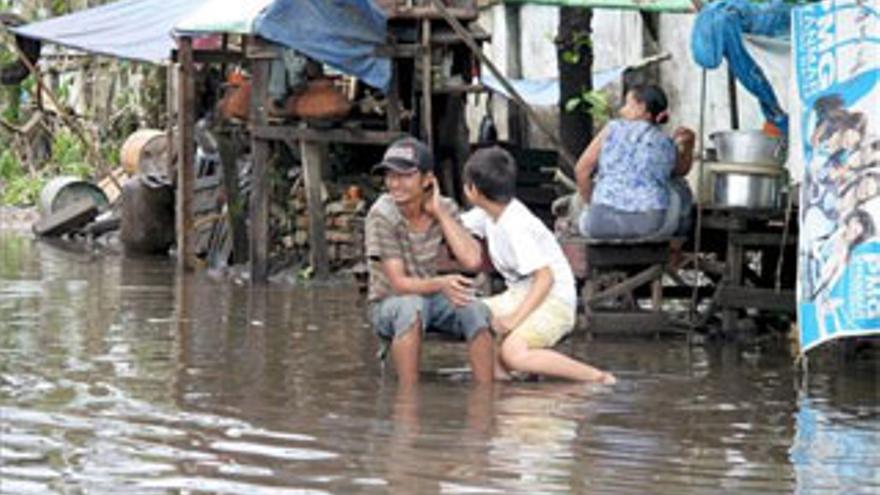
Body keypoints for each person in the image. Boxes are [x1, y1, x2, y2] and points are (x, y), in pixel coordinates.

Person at [460, 146, 616, 384]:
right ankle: (504, 383)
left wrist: (513, 319)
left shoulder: (516, 224)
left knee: (513, 352)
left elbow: (545, 278)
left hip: (554, 299)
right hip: (523, 294)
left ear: (473, 190)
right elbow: (455, 223)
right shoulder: (489, 214)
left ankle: (596, 377)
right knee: (475, 314)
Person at [365, 137, 494, 387]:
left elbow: (472, 260)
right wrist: (442, 283)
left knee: (474, 307)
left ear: (427, 180)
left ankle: (486, 397)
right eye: (390, 176)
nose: (395, 183)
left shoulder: (444, 207)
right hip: (388, 303)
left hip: (432, 298)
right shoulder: (382, 214)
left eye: (405, 176)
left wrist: (441, 214)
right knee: (411, 307)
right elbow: (399, 284)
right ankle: (408, 398)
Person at [575, 84, 695, 240]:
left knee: (588, 202)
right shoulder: (665, 141)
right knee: (679, 187)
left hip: (599, 226)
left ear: (641, 108)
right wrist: (688, 145)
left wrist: (594, 204)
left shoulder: (611, 129)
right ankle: (675, 248)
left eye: (627, 104)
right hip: (648, 227)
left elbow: (581, 170)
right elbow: (680, 171)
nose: (622, 110)